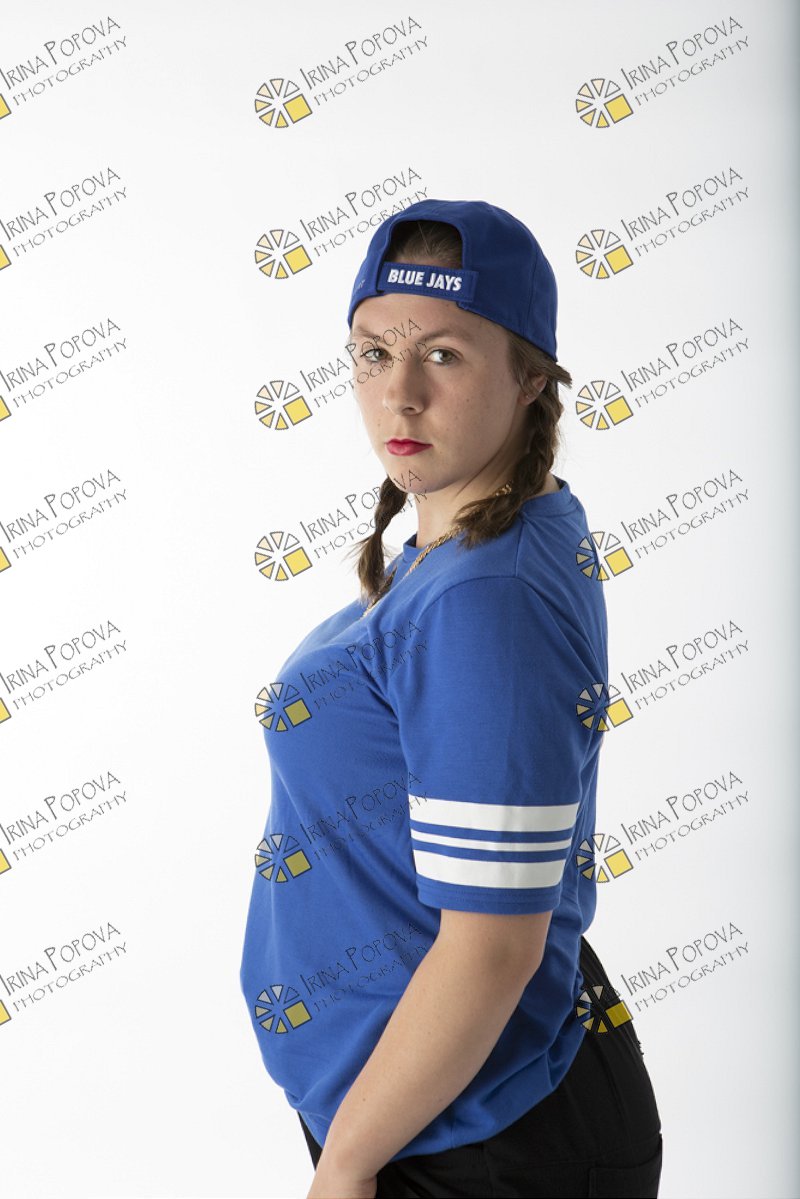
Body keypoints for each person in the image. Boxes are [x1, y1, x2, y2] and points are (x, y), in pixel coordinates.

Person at [239, 199, 663, 1198]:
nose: (400, 394)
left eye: (442, 354)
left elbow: (491, 947)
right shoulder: (474, 542)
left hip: (485, 1133)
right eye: (372, 353)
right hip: (433, 1110)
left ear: (529, 375)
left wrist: (346, 1164)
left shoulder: (486, 595)